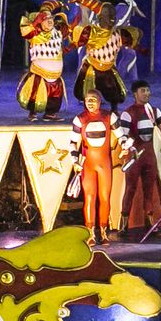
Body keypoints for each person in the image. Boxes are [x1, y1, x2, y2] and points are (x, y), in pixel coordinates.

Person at [117, 81, 161, 237]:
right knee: (130, 189)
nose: (146, 93)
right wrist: (126, 144)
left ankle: (151, 226)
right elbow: (122, 136)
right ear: (135, 94)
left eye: (148, 90)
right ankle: (123, 226)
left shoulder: (154, 111)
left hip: (149, 157)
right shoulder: (128, 113)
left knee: (149, 191)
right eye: (143, 90)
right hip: (134, 158)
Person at [69, 89, 117, 244]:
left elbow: (121, 135)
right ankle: (90, 233)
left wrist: (127, 145)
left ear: (100, 101)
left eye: (93, 100)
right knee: (89, 198)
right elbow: (73, 143)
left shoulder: (109, 116)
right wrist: (75, 161)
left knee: (105, 198)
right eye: (88, 100)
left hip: (105, 165)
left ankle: (103, 231)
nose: (90, 103)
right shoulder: (80, 119)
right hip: (87, 165)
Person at [18, 1, 69, 120]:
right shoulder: (35, 35)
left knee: (55, 96)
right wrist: (36, 21)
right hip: (40, 73)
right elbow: (26, 32)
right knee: (35, 95)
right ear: (40, 21)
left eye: (51, 17)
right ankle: (33, 113)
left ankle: (50, 113)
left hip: (55, 75)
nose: (50, 20)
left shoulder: (57, 33)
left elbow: (67, 31)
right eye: (46, 19)